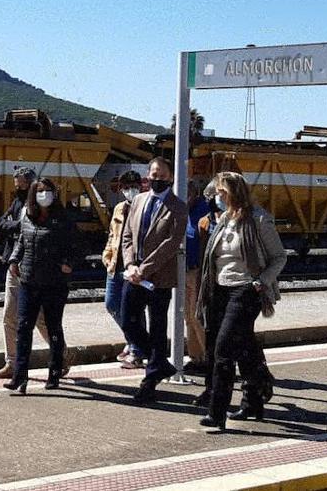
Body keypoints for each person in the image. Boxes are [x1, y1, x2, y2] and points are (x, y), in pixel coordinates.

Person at [195, 172, 286, 431]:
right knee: (244, 348)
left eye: (222, 193)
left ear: (235, 192)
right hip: (219, 289)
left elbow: (279, 257)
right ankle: (256, 397)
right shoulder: (223, 220)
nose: (218, 199)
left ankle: (217, 412)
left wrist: (262, 280)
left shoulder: (258, 219)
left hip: (246, 290)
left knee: (223, 351)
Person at [119, 156, 187, 404]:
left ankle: (149, 382)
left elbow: (171, 243)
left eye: (161, 175)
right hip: (133, 275)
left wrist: (144, 270)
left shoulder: (178, 206)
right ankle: (158, 362)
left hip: (158, 279)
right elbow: (127, 235)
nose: (156, 179)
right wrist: (130, 265)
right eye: (153, 175)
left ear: (170, 177)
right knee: (128, 320)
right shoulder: (137, 200)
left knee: (158, 328)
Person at [5, 178, 77, 394]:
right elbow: (22, 241)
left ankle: (54, 372)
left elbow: (79, 245)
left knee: (53, 326)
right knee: (23, 327)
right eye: (40, 191)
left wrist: (69, 264)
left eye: (47, 191)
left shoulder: (63, 219)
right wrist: (14, 261)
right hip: (29, 280)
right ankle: (20, 377)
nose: (43, 194)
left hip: (55, 282)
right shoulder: (28, 215)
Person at [0, 167, 52, 378]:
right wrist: (19, 225)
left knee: (41, 319)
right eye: (17, 187)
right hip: (14, 265)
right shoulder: (18, 202)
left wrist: (16, 226)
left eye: (22, 187)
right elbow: (1, 224)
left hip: (35, 268)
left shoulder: (44, 205)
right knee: (9, 315)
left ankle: (61, 355)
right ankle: (12, 363)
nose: (18, 190)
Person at [102, 170, 145, 366]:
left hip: (134, 266)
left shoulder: (145, 205)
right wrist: (107, 254)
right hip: (115, 264)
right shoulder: (119, 208)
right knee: (112, 304)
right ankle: (134, 339)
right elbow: (113, 234)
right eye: (126, 187)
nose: (130, 191)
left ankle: (137, 350)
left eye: (133, 186)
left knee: (134, 309)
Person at [183, 179, 211, 375]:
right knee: (187, 317)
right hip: (182, 270)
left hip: (197, 271)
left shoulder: (205, 211)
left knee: (197, 317)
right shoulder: (180, 210)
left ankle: (210, 358)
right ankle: (196, 358)